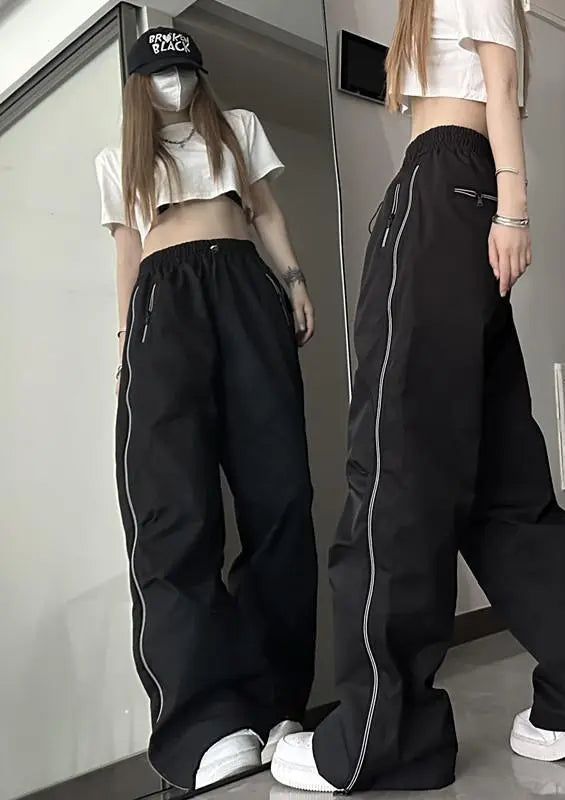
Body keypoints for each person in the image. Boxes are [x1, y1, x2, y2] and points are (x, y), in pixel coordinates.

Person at [270, 0, 565, 793]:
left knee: (395, 462)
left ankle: (381, 736)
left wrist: (514, 206)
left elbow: (499, 79)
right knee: (501, 485)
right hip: (464, 195)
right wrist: (499, 204)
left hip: (443, 193)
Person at [94, 27, 318, 792]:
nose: (176, 83)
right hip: (164, 307)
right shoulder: (117, 159)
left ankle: (279, 704)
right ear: (139, 84)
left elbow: (266, 213)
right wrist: (125, 352)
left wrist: (293, 280)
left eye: (185, 70)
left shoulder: (238, 128)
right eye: (161, 73)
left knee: (279, 496)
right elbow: (127, 256)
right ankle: (204, 723)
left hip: (244, 289)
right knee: (173, 509)